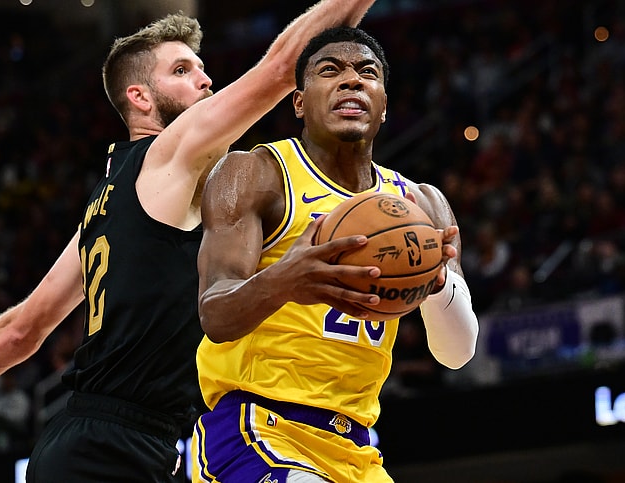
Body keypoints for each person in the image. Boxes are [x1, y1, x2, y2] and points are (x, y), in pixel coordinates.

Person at [0, 2, 378, 481]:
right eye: (182, 70)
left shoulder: (106, 205)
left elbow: (22, 329)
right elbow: (279, 67)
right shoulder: (169, 155)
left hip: (126, 439)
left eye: (200, 67)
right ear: (139, 98)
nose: (205, 78)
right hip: (109, 443)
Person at [192, 27, 479, 482]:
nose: (351, 80)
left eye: (367, 72)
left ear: (384, 103)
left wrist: (437, 284)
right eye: (330, 71)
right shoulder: (255, 174)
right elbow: (214, 314)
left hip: (357, 448)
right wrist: (284, 279)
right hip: (257, 430)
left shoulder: (422, 206)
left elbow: (458, 353)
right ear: (300, 102)